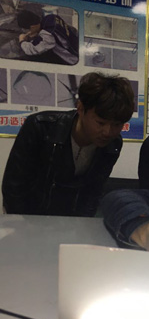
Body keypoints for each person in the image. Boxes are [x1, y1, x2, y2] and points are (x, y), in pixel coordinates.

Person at [2, 72, 135, 217]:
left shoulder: (113, 144)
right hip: (29, 219)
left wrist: (82, 225)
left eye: (117, 124)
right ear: (81, 108)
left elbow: (93, 193)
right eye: (100, 123)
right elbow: (13, 188)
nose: (108, 132)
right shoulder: (40, 127)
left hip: (72, 223)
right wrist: (28, 225)